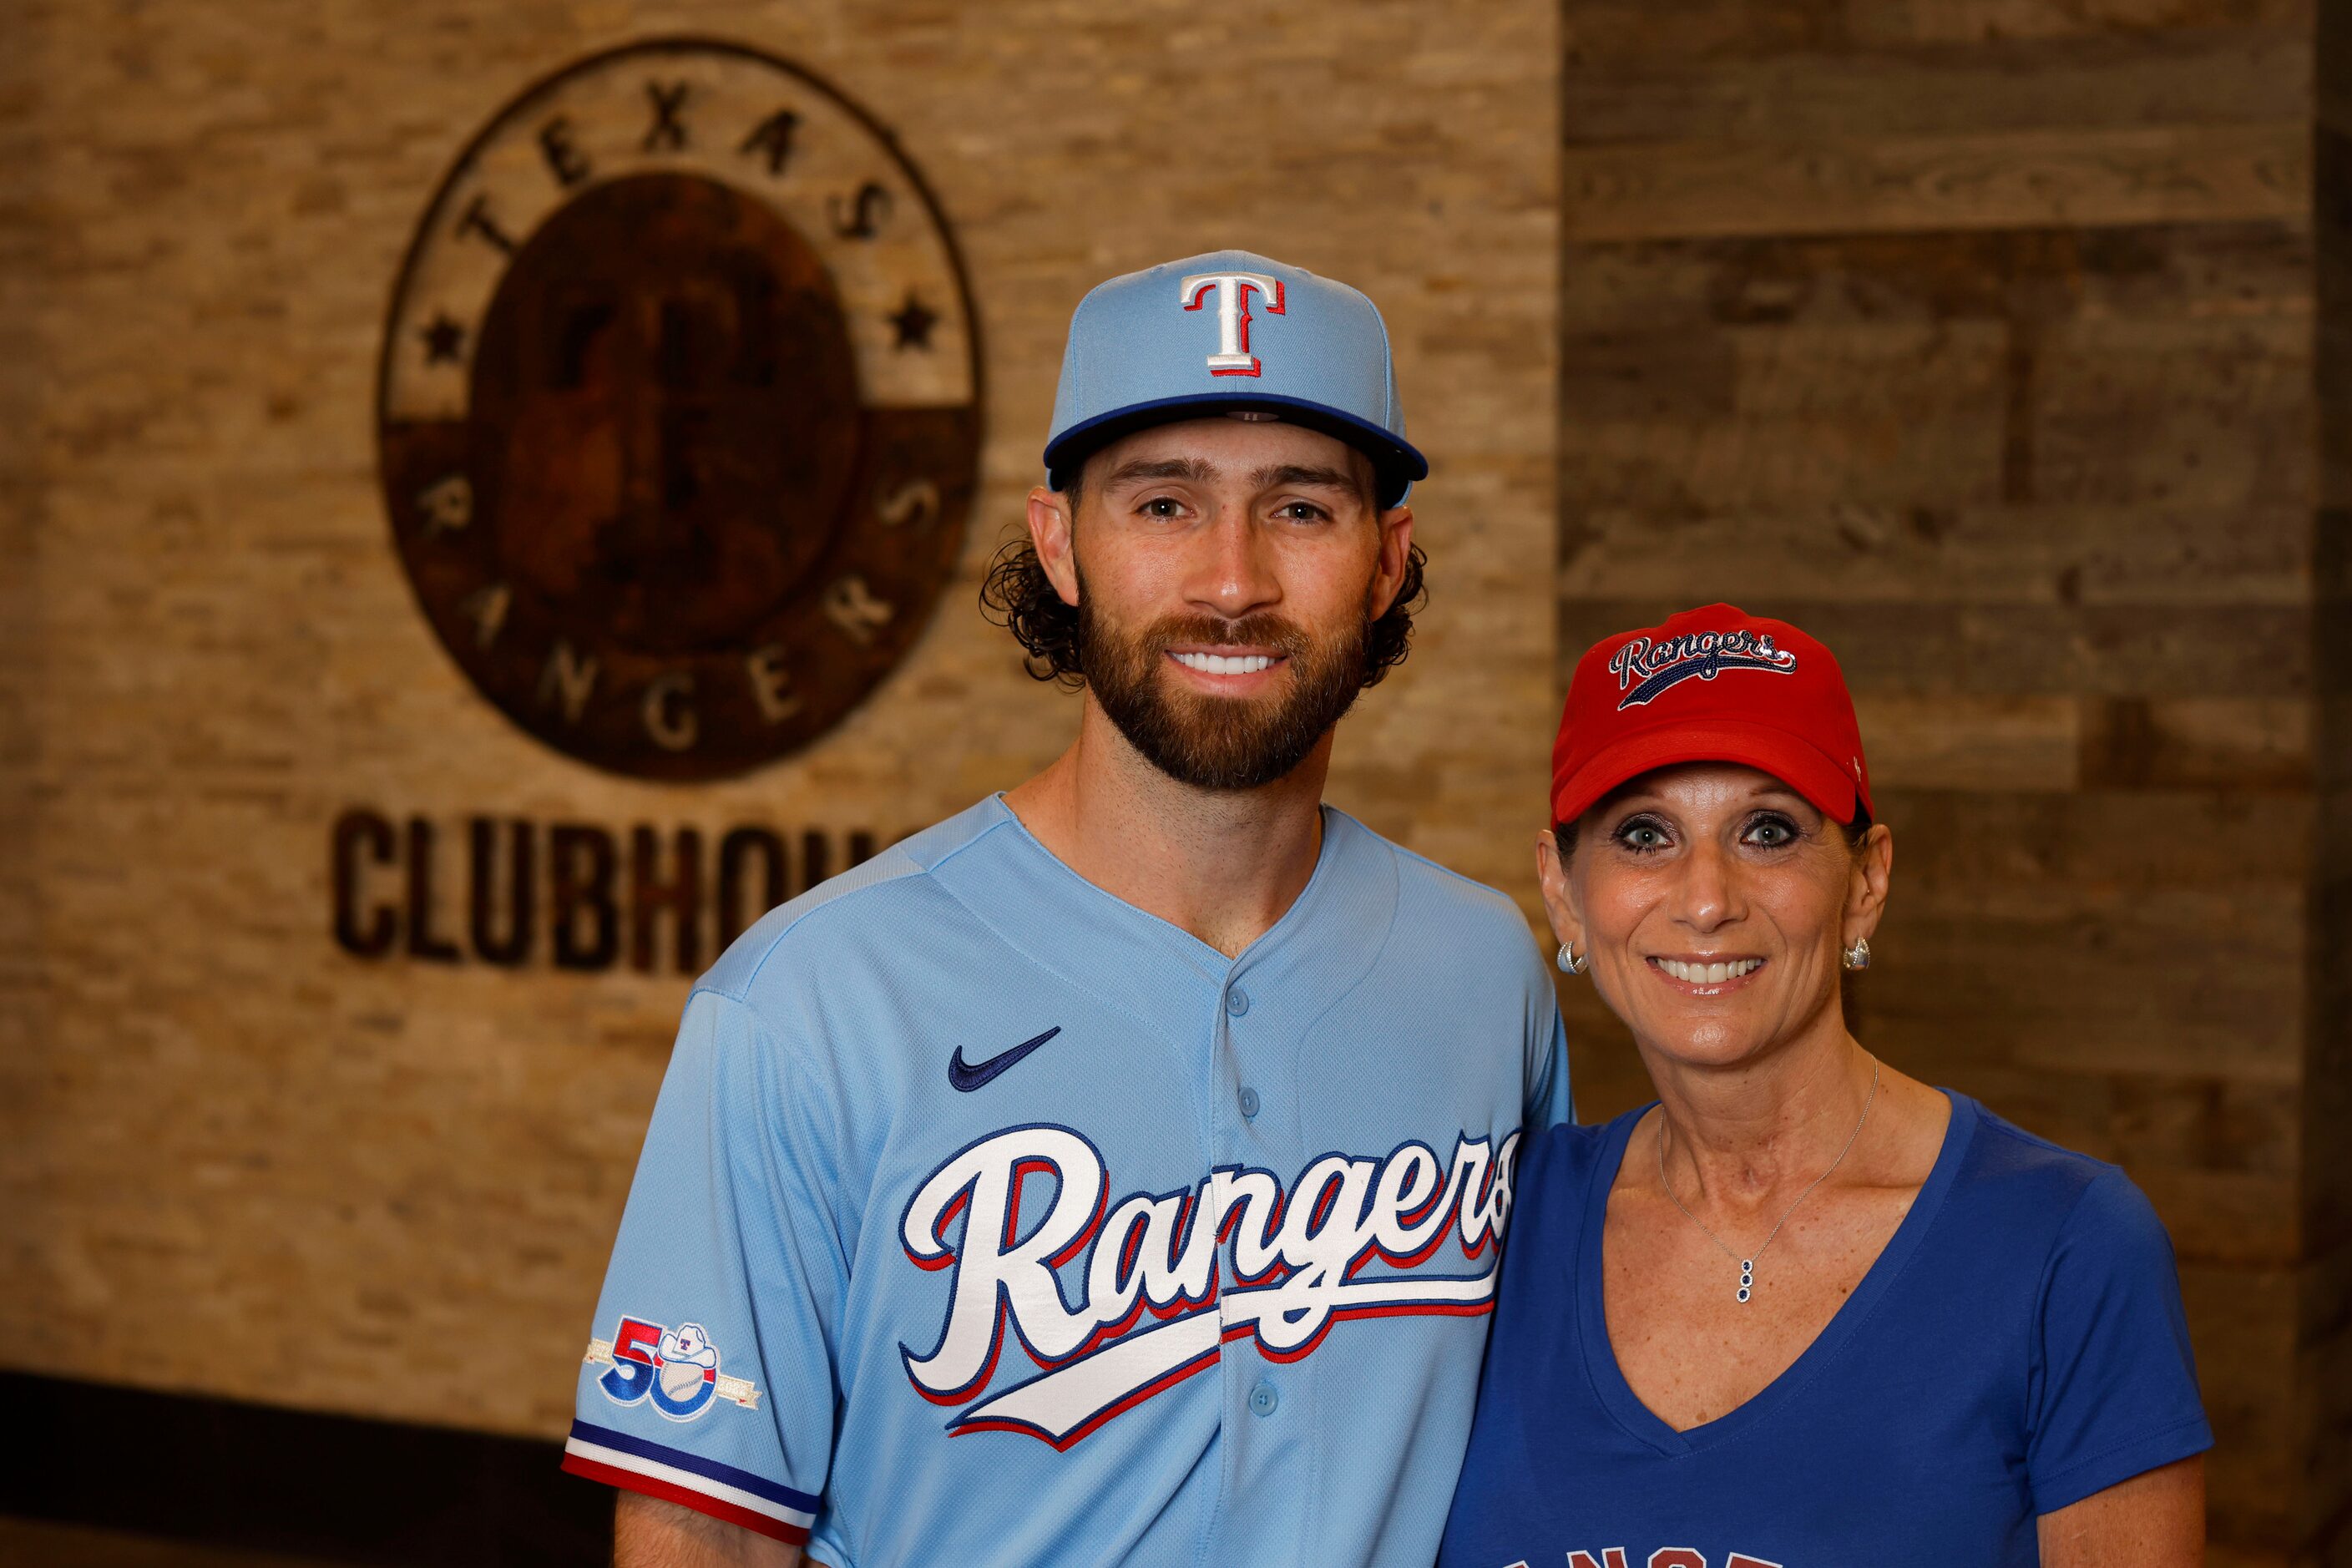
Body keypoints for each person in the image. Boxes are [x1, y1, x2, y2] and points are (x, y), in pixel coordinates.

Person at [562, 250, 1571, 1568]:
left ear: (1386, 563)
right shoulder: (808, 1002)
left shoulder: (1485, 971)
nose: (1231, 580)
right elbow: (705, 1536)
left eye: (1301, 509)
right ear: (1062, 544)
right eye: (1162, 503)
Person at [1440, 604, 2212, 1568]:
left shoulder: (2068, 1246)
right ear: (1564, 892)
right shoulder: (1489, 1224)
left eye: (1768, 830)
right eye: (1644, 834)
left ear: (1868, 881)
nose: (1708, 898)